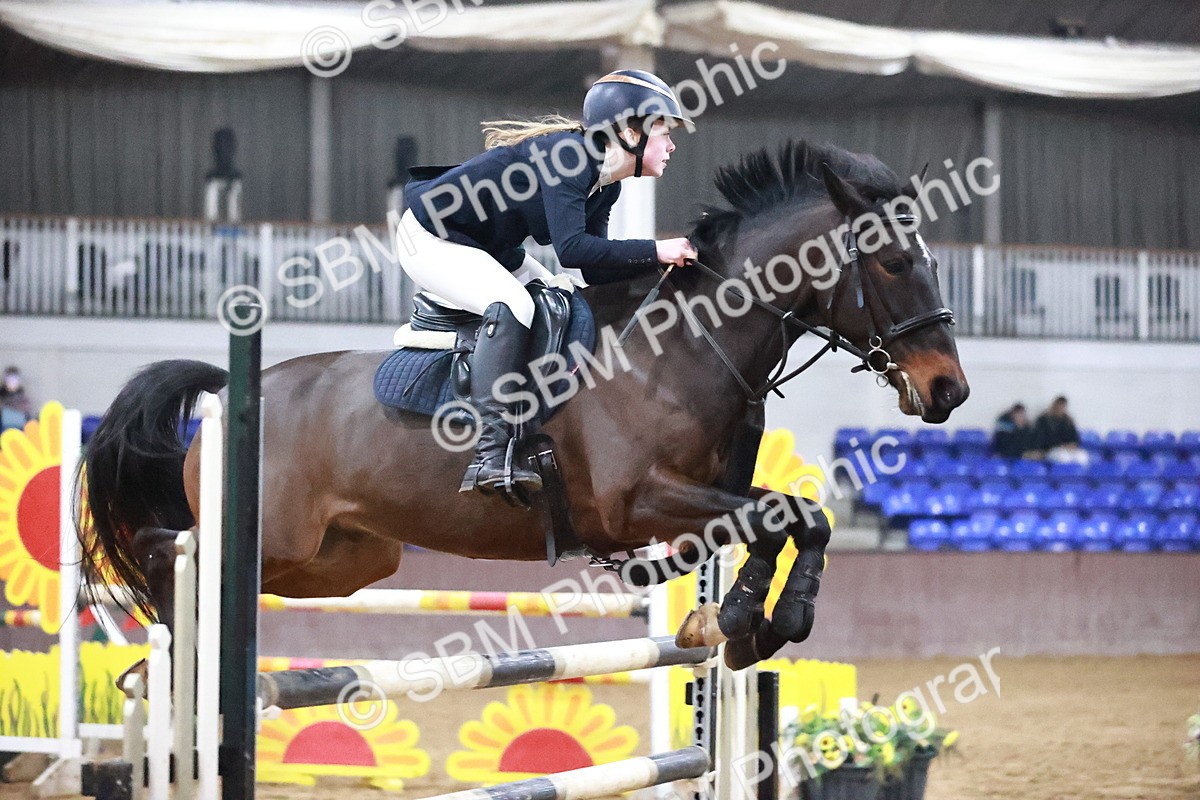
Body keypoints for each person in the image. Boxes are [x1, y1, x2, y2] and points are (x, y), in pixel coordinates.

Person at [399, 69, 698, 496]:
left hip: (486, 248)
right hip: (429, 237)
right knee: (515, 306)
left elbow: (592, 272)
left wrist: (668, 269)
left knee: (562, 295)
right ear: (630, 132)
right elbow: (573, 250)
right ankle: (489, 455)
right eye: (663, 132)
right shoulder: (570, 158)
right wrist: (656, 250)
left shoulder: (605, 185)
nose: (671, 145)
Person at [1034, 396, 1089, 465]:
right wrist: (1061, 445)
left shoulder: (1068, 421)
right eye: (1059, 406)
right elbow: (1042, 440)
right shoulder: (1043, 420)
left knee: (1083, 457)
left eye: (1063, 406)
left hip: (1069, 450)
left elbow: (1075, 438)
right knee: (1063, 458)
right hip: (1051, 450)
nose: (1061, 408)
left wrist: (1072, 445)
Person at [0, 366, 33, 431]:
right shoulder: (2, 396)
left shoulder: (23, 397)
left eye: (14, 380)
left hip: (20, 430)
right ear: (5, 381)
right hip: (4, 430)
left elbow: (27, 414)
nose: (12, 383)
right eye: (9, 380)